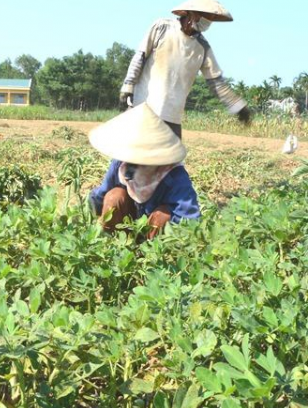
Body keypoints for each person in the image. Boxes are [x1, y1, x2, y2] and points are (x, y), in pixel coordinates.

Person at [119, 0, 250, 139]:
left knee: (172, 158)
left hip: (172, 115)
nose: (208, 22)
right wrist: (128, 85)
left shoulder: (203, 48)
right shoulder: (162, 27)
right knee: (127, 155)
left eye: (211, 19)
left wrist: (237, 106)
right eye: (205, 16)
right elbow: (140, 56)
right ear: (191, 13)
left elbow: (216, 82)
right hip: (144, 106)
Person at [89, 104, 201, 239]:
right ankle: (112, 243)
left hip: (154, 235)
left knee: (162, 216)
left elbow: (189, 217)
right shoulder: (121, 164)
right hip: (124, 227)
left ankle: (147, 254)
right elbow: (102, 194)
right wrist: (88, 214)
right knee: (114, 196)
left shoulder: (174, 175)